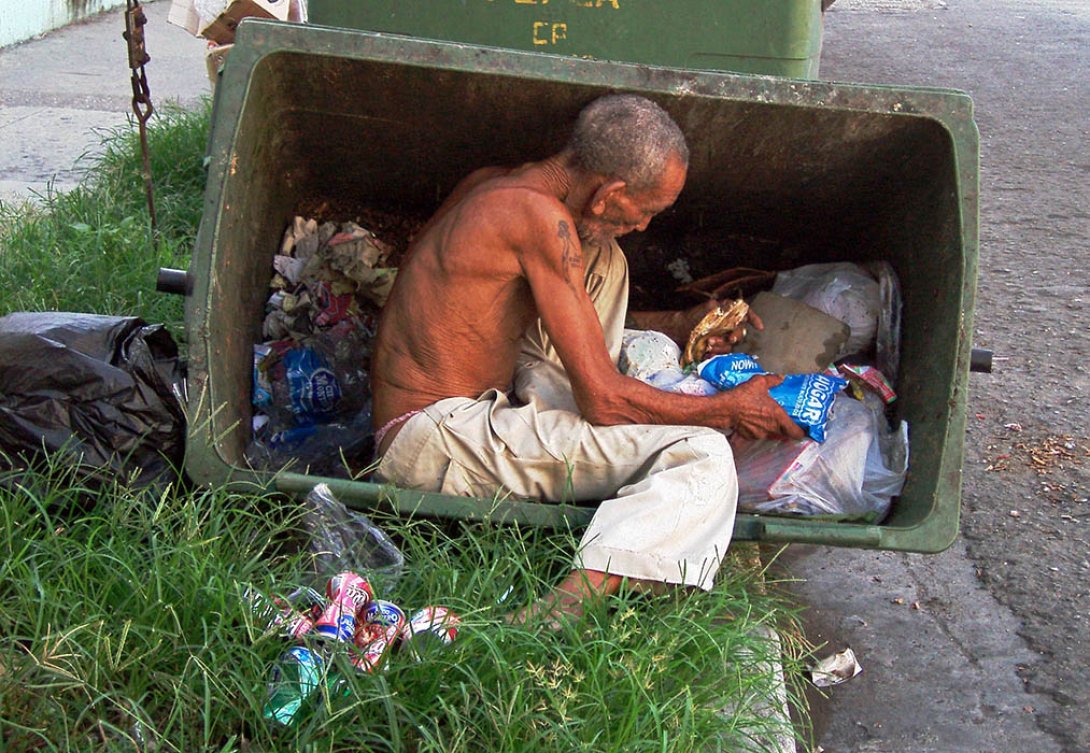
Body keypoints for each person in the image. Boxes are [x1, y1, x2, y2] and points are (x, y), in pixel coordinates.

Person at [370, 94, 803, 622]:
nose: (644, 226)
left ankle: (609, 431)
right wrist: (728, 410)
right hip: (435, 440)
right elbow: (601, 400)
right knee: (703, 454)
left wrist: (680, 325)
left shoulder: (496, 183)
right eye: (645, 211)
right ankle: (548, 621)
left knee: (602, 257)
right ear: (609, 193)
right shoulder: (538, 221)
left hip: (452, 410)